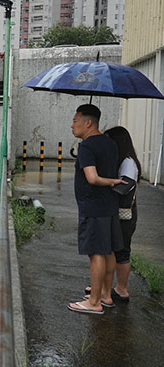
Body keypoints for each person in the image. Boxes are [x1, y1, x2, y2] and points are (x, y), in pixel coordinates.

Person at [68, 104, 125, 315]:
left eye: (75, 120)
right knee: (108, 250)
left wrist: (110, 181)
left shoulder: (87, 146)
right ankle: (105, 295)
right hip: (109, 205)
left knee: (96, 253)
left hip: (93, 206)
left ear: (88, 122)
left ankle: (93, 302)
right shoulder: (110, 143)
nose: (72, 125)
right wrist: (112, 182)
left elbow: (92, 178)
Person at [105, 126, 141, 303]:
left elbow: (125, 186)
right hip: (120, 213)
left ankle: (122, 290)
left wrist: (106, 184)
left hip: (125, 214)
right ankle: (107, 287)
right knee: (114, 249)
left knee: (122, 251)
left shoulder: (128, 162)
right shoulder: (122, 160)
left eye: (109, 140)